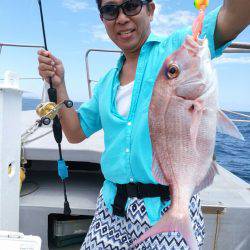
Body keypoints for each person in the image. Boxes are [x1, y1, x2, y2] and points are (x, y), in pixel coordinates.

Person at [38, 0, 250, 249]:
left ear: (150, 10)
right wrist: (60, 84)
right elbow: (74, 133)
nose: (122, 18)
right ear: (103, 19)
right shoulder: (106, 82)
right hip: (111, 209)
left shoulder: (180, 47)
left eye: (130, 6)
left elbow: (236, 14)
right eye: (110, 10)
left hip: (167, 205)